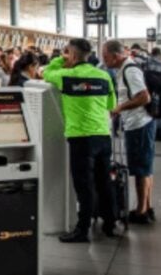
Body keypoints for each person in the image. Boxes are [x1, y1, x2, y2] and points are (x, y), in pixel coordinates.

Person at [43, 38, 117, 243]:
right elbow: (112, 104)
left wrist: (59, 58)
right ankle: (110, 223)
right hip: (103, 135)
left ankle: (82, 230)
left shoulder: (65, 76)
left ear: (72, 55)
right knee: (104, 181)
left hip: (80, 139)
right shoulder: (104, 76)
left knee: (84, 185)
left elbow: (45, 72)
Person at [102, 40, 156, 225]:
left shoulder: (129, 70)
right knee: (145, 168)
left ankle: (141, 211)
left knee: (141, 170)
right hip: (140, 124)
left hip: (139, 125)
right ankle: (146, 207)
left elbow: (143, 96)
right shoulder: (125, 69)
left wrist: (119, 108)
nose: (104, 59)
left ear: (116, 56)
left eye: (106, 56)